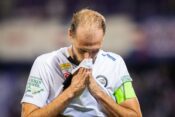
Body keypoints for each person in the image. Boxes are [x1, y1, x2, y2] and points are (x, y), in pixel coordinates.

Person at [21, 8, 142, 117]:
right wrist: (71, 92)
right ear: (70, 34)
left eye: (95, 50)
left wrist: (99, 93)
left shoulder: (115, 64)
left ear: (103, 37)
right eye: (82, 49)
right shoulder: (45, 63)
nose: (87, 57)